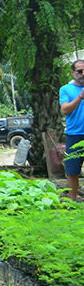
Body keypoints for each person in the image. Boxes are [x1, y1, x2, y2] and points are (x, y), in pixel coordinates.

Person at [59, 59, 84, 201]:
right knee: (73, 171)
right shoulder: (66, 89)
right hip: (74, 135)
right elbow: (65, 109)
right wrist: (81, 96)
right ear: (73, 72)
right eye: (80, 71)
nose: (83, 74)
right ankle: (73, 202)